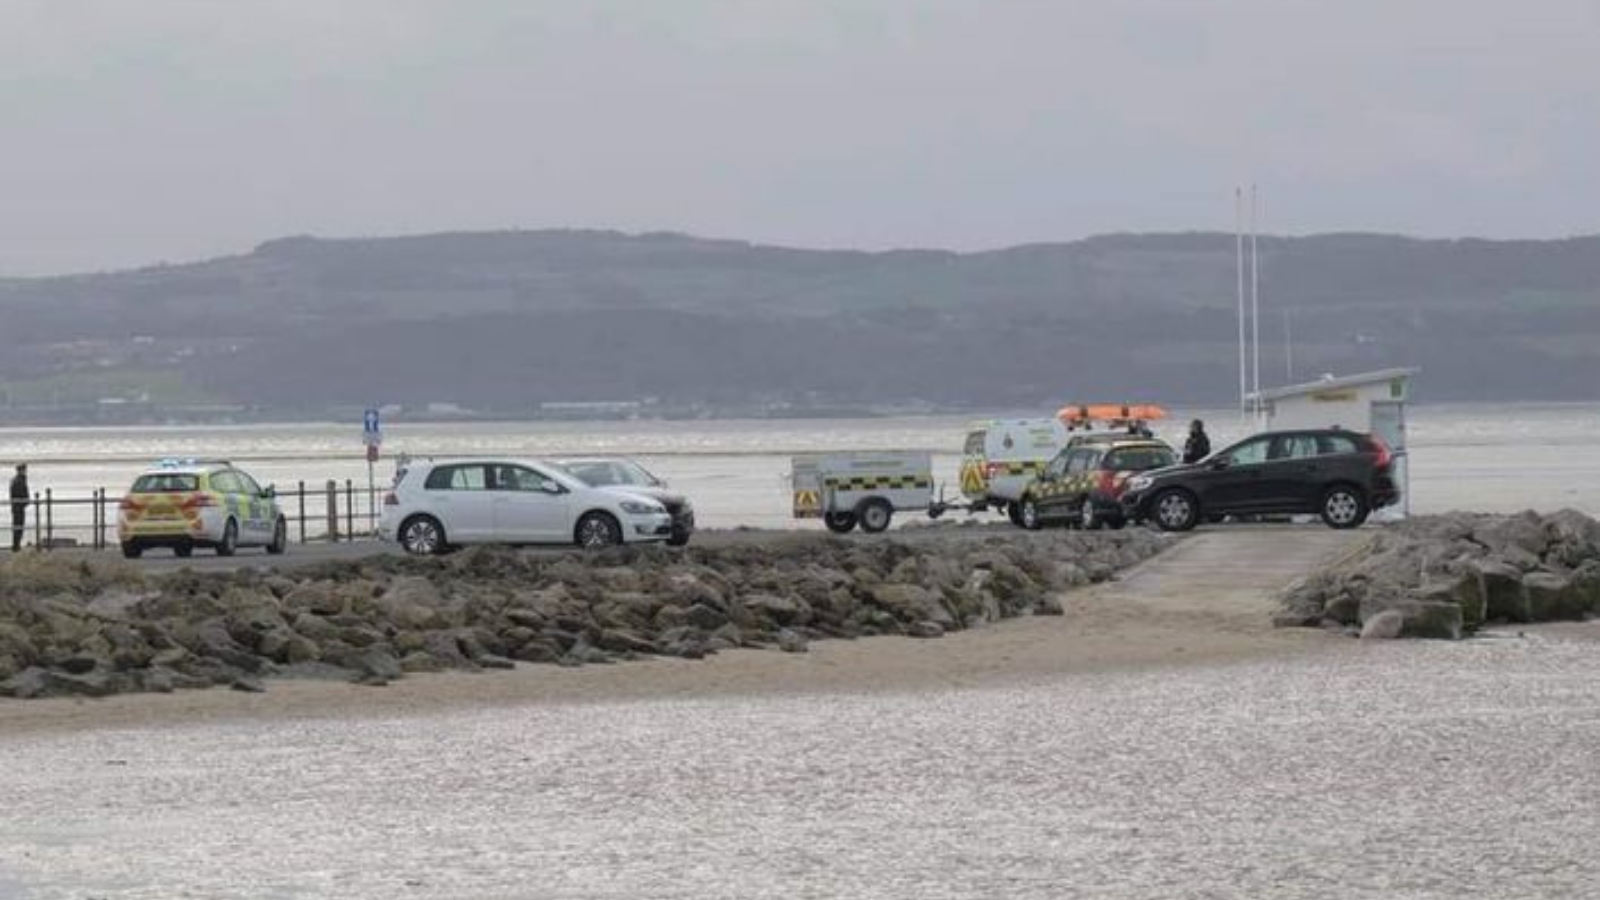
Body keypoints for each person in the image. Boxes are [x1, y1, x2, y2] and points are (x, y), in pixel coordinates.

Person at [9, 463, 28, 552]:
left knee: (18, 526)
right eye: (24, 470)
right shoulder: (19, 481)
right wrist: (25, 501)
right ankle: (16, 546)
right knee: (18, 526)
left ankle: (16, 545)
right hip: (18, 507)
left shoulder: (17, 480)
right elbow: (20, 494)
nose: (25, 471)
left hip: (17, 506)